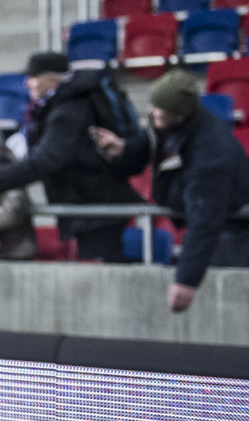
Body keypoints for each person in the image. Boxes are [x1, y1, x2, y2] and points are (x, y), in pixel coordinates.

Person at [0, 51, 146, 262]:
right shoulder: (58, 106)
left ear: (51, 78)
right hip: (89, 207)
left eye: (33, 77)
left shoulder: (70, 108)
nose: (27, 83)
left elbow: (46, 160)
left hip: (97, 208)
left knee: (101, 270)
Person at [91, 69, 249, 312]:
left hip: (232, 235)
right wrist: (123, 148)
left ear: (178, 116)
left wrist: (186, 281)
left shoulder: (212, 153)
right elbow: (151, 140)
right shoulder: (171, 120)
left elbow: (205, 221)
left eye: (159, 111)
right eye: (153, 106)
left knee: (227, 310)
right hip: (211, 225)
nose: (152, 112)